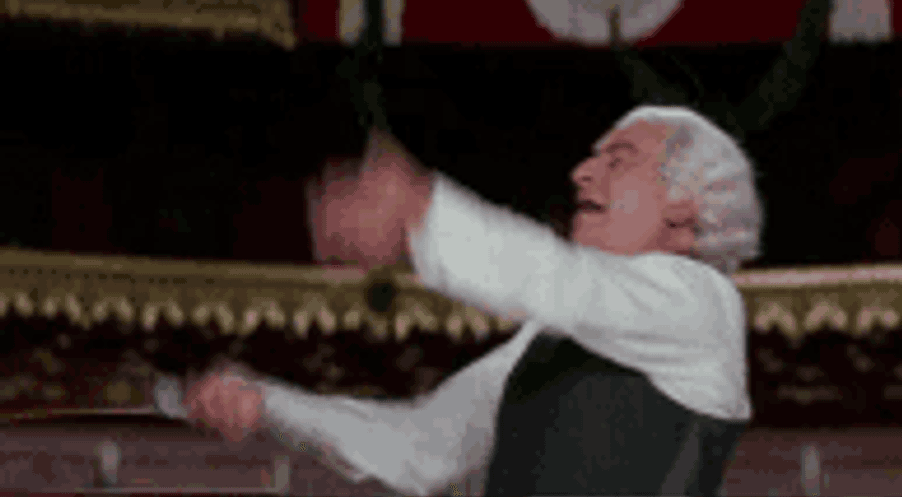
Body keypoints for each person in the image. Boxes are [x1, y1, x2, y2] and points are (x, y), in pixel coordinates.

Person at [182, 105, 764, 496]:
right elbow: (420, 449)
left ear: (685, 212)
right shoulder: (548, 344)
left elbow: (558, 280)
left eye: (618, 162)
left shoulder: (703, 305)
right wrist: (268, 403)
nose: (583, 173)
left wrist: (417, 209)